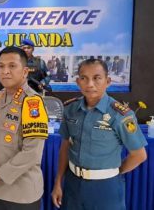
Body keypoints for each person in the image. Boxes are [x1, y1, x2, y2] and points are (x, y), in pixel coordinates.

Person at [51, 59, 147, 210]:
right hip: (73, 184)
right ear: (77, 82)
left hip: (105, 188)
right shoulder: (71, 109)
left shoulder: (119, 114)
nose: (90, 84)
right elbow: (65, 147)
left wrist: (115, 172)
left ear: (108, 81)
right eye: (84, 78)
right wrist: (58, 182)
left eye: (97, 78)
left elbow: (139, 155)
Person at [0, 46, 49, 210]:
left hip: (20, 194)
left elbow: (32, 152)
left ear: (25, 71)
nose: (5, 71)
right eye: (1, 66)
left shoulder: (33, 102)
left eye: (12, 66)